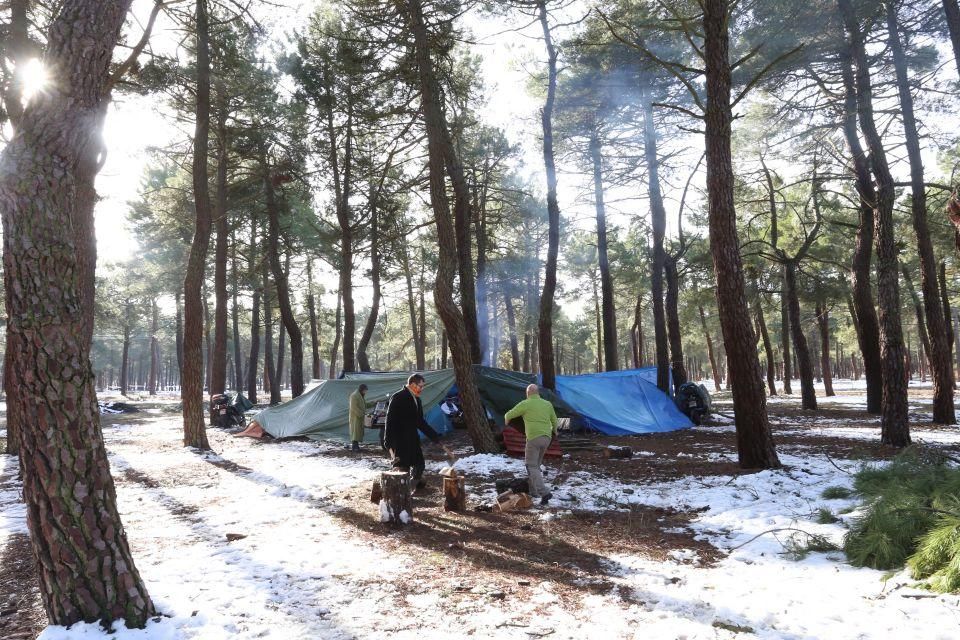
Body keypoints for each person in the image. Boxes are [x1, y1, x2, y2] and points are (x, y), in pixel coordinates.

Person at [384, 373, 450, 490]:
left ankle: (410, 488)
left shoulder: (417, 400)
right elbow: (390, 420)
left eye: (422, 386)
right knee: (402, 468)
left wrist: (434, 437)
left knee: (419, 465)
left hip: (412, 438)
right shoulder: (398, 397)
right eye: (420, 386)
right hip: (400, 440)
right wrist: (388, 441)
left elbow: (420, 422)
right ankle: (398, 493)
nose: (422, 389)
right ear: (413, 384)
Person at [504, 383, 558, 505]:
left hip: (533, 438)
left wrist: (508, 420)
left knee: (531, 466)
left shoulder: (525, 404)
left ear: (527, 394)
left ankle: (544, 492)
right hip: (547, 438)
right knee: (536, 465)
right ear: (538, 393)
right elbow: (554, 421)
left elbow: (508, 415)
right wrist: (555, 431)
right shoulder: (547, 404)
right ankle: (534, 491)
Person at [348, 384, 368, 452]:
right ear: (362, 389)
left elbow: (364, 404)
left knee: (357, 432)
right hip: (355, 417)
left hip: (359, 417)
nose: (365, 392)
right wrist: (361, 414)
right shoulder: (354, 396)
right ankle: (354, 447)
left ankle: (356, 446)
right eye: (365, 390)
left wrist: (374, 403)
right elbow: (353, 407)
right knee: (355, 432)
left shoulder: (360, 396)